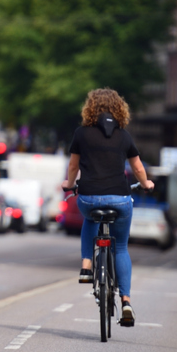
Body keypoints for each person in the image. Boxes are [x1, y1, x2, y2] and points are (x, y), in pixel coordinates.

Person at [64, 88, 154, 328]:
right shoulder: (124, 136)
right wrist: (146, 184)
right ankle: (126, 301)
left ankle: (86, 266)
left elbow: (73, 166)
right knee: (121, 247)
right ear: (119, 109)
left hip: (89, 197)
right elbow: (138, 168)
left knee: (90, 219)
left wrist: (68, 184)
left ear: (90, 108)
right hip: (120, 199)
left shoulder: (81, 134)